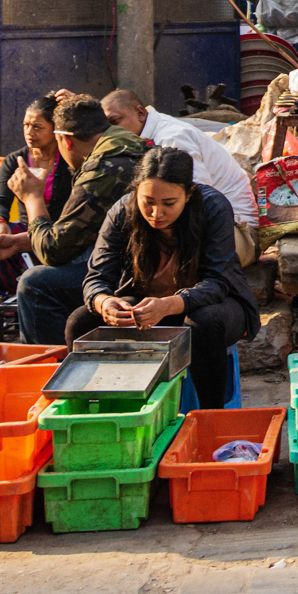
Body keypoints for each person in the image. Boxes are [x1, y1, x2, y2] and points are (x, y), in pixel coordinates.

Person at [73, 147, 259, 409]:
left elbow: (217, 282)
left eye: (169, 203)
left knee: (203, 322)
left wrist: (169, 304)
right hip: (146, 306)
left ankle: (211, 415)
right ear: (136, 192)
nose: (156, 213)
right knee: (80, 322)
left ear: (189, 194)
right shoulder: (122, 211)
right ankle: (97, 410)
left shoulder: (213, 207)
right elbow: (97, 277)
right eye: (147, 201)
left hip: (213, 305)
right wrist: (103, 302)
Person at [13, 94, 148, 345]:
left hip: (136, 275)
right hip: (145, 262)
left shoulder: (103, 170)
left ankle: (50, 365)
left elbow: (53, 251)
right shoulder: (133, 145)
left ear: (65, 140)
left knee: (34, 284)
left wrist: (32, 199)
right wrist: (19, 241)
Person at [101, 88, 260, 266]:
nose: (110, 131)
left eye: (115, 121)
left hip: (237, 234)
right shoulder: (139, 141)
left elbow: (200, 201)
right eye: (105, 126)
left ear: (140, 113)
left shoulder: (172, 138)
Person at [0, 94, 71, 290]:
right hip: (27, 227)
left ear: (55, 128)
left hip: (62, 229)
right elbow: (1, 200)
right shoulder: (15, 160)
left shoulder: (69, 160)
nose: (29, 132)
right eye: (26, 125)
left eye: (37, 127)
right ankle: (11, 292)